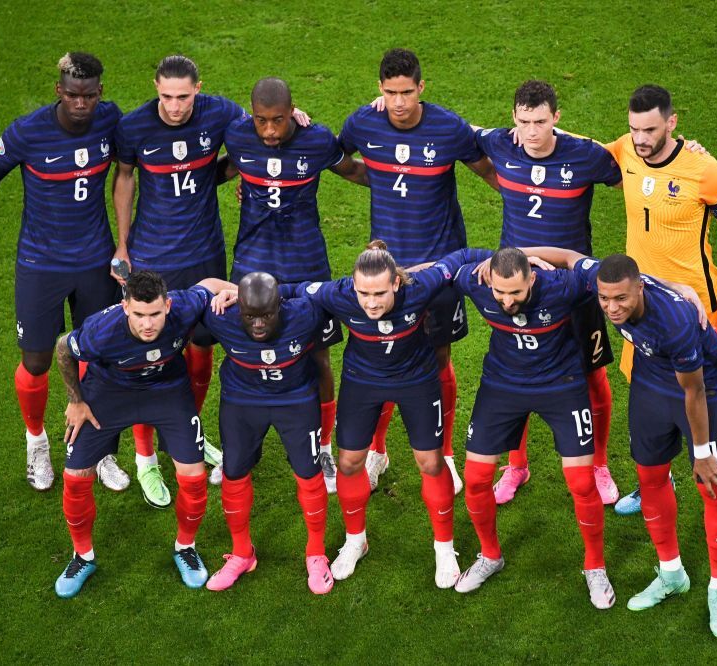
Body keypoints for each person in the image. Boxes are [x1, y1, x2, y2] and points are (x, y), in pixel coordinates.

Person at [0, 52, 128, 493]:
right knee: (36, 361)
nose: (81, 104)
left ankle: (100, 448)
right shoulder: (27, 132)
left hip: (94, 262)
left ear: (100, 92)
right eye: (73, 95)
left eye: (89, 95)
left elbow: (144, 159)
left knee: (97, 355)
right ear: (58, 91)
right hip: (40, 264)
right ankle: (37, 442)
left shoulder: (112, 120)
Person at [538, 248, 717, 639]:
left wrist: (701, 454)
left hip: (702, 392)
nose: (612, 308)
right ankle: (672, 574)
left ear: (640, 290)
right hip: (650, 389)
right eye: (604, 298)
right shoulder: (610, 282)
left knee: (713, 486)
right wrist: (517, 255)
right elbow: (567, 257)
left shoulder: (675, 321)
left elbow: (695, 391)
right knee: (650, 478)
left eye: (621, 299)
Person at [339, 48, 499, 493]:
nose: (398, 102)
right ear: (380, 89)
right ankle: (377, 450)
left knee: (438, 358)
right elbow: (331, 156)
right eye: (390, 93)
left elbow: (489, 171)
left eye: (407, 92)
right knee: (379, 359)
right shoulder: (363, 123)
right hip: (385, 273)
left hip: (440, 270)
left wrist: (526, 204)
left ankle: (444, 453)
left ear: (421, 88)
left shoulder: (448, 127)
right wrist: (372, 176)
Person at [604, 85, 717, 532]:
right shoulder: (626, 150)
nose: (640, 138)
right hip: (639, 305)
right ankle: (657, 479)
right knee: (644, 386)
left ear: (672, 123)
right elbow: (578, 149)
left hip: (696, 308)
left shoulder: (704, 170)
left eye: (650, 129)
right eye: (634, 128)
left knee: (716, 397)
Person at [291, 241, 491, 588]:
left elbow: (459, 257)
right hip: (362, 383)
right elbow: (292, 289)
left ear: (396, 283)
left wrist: (503, 259)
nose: (371, 303)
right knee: (349, 462)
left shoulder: (421, 287)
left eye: (379, 293)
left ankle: (444, 549)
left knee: (431, 462)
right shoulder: (339, 294)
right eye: (363, 293)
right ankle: (356, 541)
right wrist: (236, 294)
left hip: (417, 381)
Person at [472, 80, 624, 506]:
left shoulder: (586, 154)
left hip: (574, 290)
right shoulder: (501, 144)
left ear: (556, 118)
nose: (532, 132)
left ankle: (599, 464)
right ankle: (516, 465)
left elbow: (634, 174)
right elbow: (455, 131)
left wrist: (686, 149)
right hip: (517, 288)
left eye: (540, 122)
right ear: (513, 119)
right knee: (515, 376)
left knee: (593, 375)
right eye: (523, 122)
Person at [220, 77, 368, 494]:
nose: (270, 130)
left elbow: (354, 170)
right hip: (251, 265)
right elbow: (218, 168)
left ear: (292, 113)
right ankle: (240, 449)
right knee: (240, 352)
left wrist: (413, 180)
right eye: (262, 121)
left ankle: (323, 447)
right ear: (251, 115)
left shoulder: (316, 140)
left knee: (318, 357)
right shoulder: (236, 135)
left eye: (279, 120)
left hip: (306, 266)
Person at [112, 54, 248, 501]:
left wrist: (242, 169)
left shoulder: (220, 112)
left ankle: (186, 431)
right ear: (156, 87)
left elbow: (258, 134)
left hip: (205, 253)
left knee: (202, 348)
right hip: (154, 258)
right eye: (167, 96)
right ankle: (146, 459)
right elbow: (125, 179)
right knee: (149, 355)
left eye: (183, 97)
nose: (174, 106)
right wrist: (123, 245)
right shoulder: (134, 126)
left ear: (198, 89)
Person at [447, 248, 613, 608]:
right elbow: (439, 269)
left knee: (581, 482)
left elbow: (615, 276)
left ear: (533, 278)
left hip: (562, 385)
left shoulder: (563, 286)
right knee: (475, 478)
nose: (507, 302)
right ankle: (490, 555)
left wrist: (681, 291)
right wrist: (391, 274)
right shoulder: (476, 282)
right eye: (500, 292)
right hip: (502, 386)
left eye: (516, 293)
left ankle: (595, 566)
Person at [52, 271, 234, 598]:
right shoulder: (102, 330)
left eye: (154, 314)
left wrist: (236, 293)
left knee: (194, 478)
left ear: (168, 305)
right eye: (138, 314)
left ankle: (186, 548)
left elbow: (210, 285)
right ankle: (82, 557)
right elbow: (63, 347)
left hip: (167, 391)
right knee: (75, 476)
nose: (147, 324)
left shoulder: (184, 306)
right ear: (125, 308)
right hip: (110, 392)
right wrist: (76, 401)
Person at [199, 272, 336, 594]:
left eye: (266, 316)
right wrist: (228, 291)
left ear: (281, 306)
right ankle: (242, 554)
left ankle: (316, 554)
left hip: (296, 402)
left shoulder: (307, 313)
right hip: (242, 402)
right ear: (239, 308)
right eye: (250, 316)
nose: (258, 325)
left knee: (309, 474)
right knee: (233, 473)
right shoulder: (219, 316)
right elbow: (200, 288)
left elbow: (345, 291)